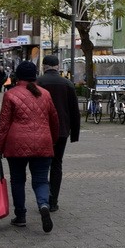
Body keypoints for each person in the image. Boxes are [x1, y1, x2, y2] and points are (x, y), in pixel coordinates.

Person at [0, 61, 59, 232]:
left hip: (16, 145)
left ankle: (21, 216)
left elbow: (3, 125)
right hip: (43, 143)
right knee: (41, 180)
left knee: (17, 180)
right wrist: (51, 140)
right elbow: (54, 119)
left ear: (18, 76)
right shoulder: (45, 94)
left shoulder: (10, 94)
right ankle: (44, 205)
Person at [36, 55, 80, 212]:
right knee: (57, 164)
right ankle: (53, 200)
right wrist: (74, 133)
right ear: (58, 66)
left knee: (41, 165)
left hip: (41, 130)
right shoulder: (67, 83)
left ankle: (42, 200)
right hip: (62, 131)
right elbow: (75, 111)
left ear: (44, 66)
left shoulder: (38, 83)